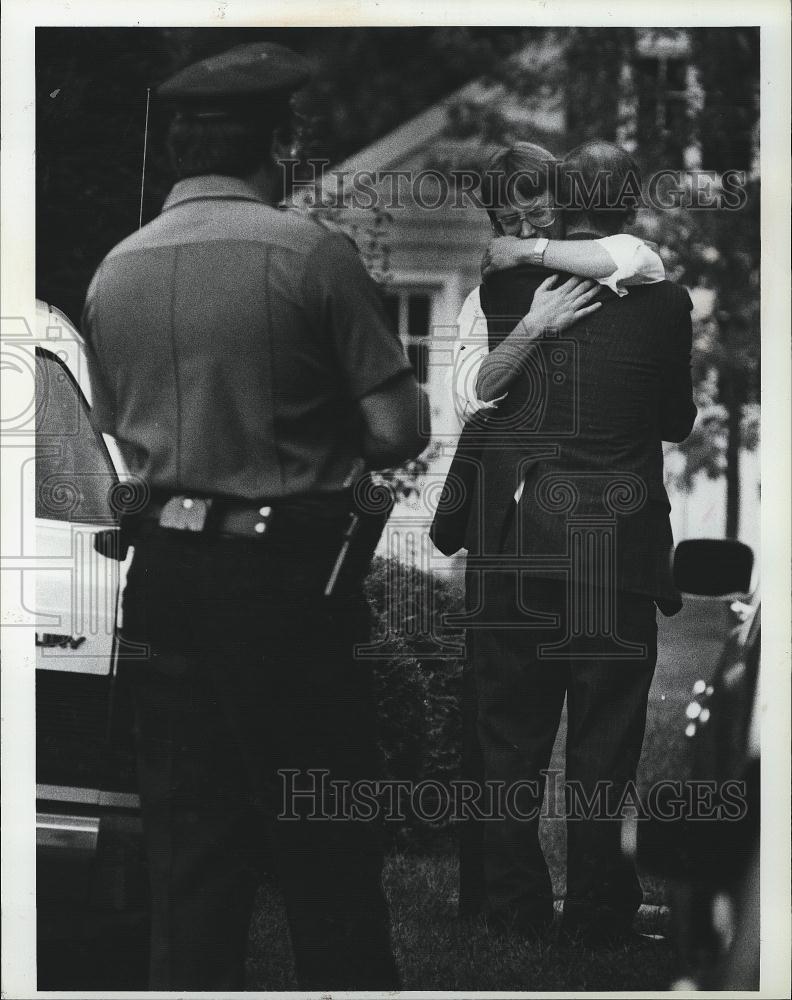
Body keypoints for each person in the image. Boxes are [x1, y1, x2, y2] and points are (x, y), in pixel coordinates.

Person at [80, 42, 429, 991]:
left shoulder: (115, 271)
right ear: (277, 144)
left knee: (188, 859)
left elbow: (119, 426)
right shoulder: (312, 257)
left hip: (163, 583)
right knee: (326, 847)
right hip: (285, 586)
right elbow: (399, 429)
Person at [434, 140, 696, 942]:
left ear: (560, 199)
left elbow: (479, 396)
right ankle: (596, 914)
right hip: (615, 550)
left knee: (508, 737)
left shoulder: (503, 284)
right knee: (605, 745)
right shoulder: (666, 298)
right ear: (629, 204)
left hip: (516, 541)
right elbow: (676, 421)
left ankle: (513, 912)